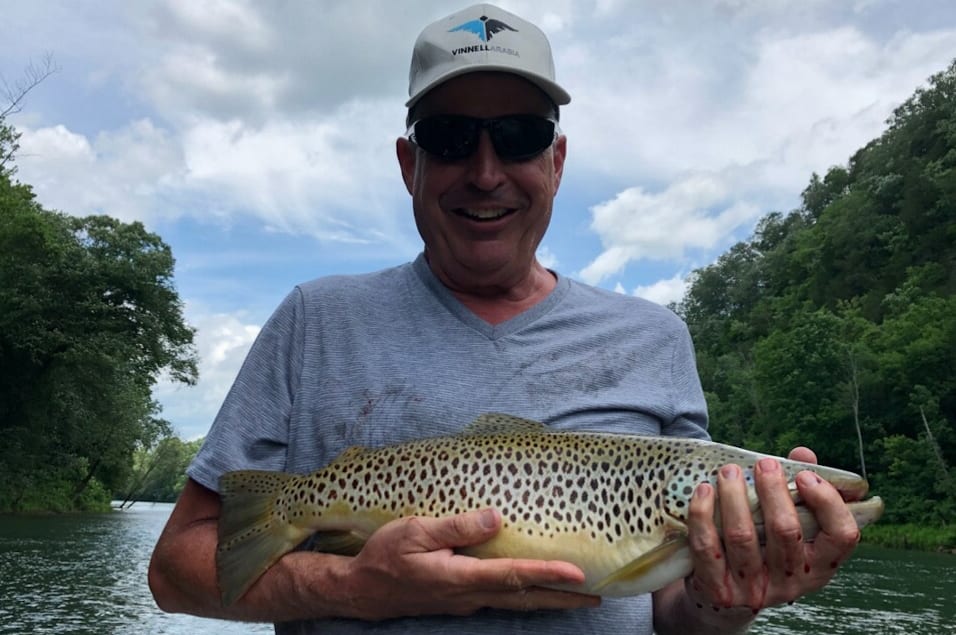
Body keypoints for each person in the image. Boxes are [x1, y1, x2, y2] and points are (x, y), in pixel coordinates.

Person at [148, 4, 863, 634]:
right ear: (409, 164)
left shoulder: (657, 339)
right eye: (452, 137)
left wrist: (730, 598)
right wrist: (358, 588)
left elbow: (676, 613)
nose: (486, 171)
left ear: (555, 160)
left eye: (519, 135)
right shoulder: (315, 321)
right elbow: (175, 572)